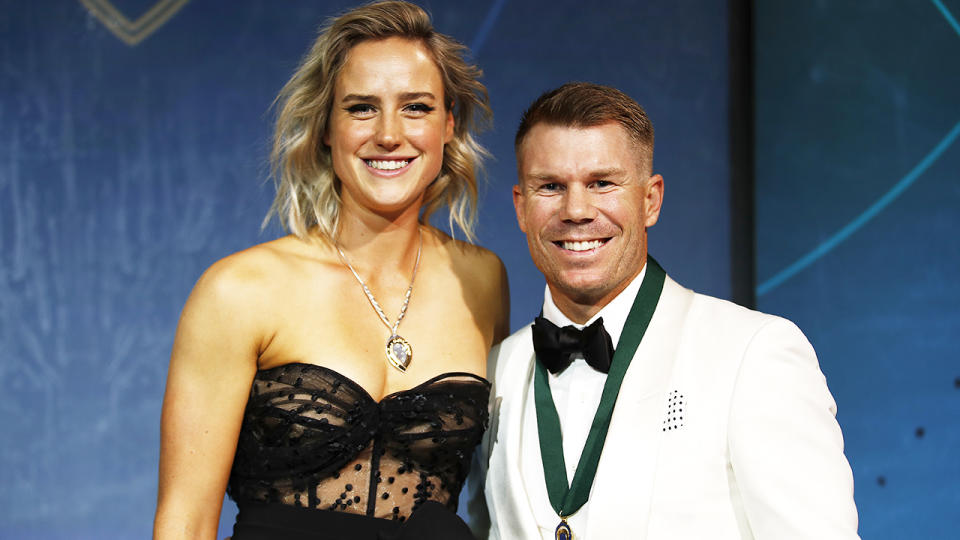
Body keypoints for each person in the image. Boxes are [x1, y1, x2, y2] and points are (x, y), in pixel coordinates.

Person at [153, 2, 509, 539]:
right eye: (362, 108)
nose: (390, 134)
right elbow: (186, 521)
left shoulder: (481, 283)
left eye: (415, 107)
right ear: (326, 127)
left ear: (448, 125)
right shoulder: (240, 291)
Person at [481, 82, 859, 539]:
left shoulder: (753, 353)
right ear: (521, 208)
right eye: (551, 186)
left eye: (602, 183)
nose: (576, 209)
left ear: (650, 200)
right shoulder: (493, 372)